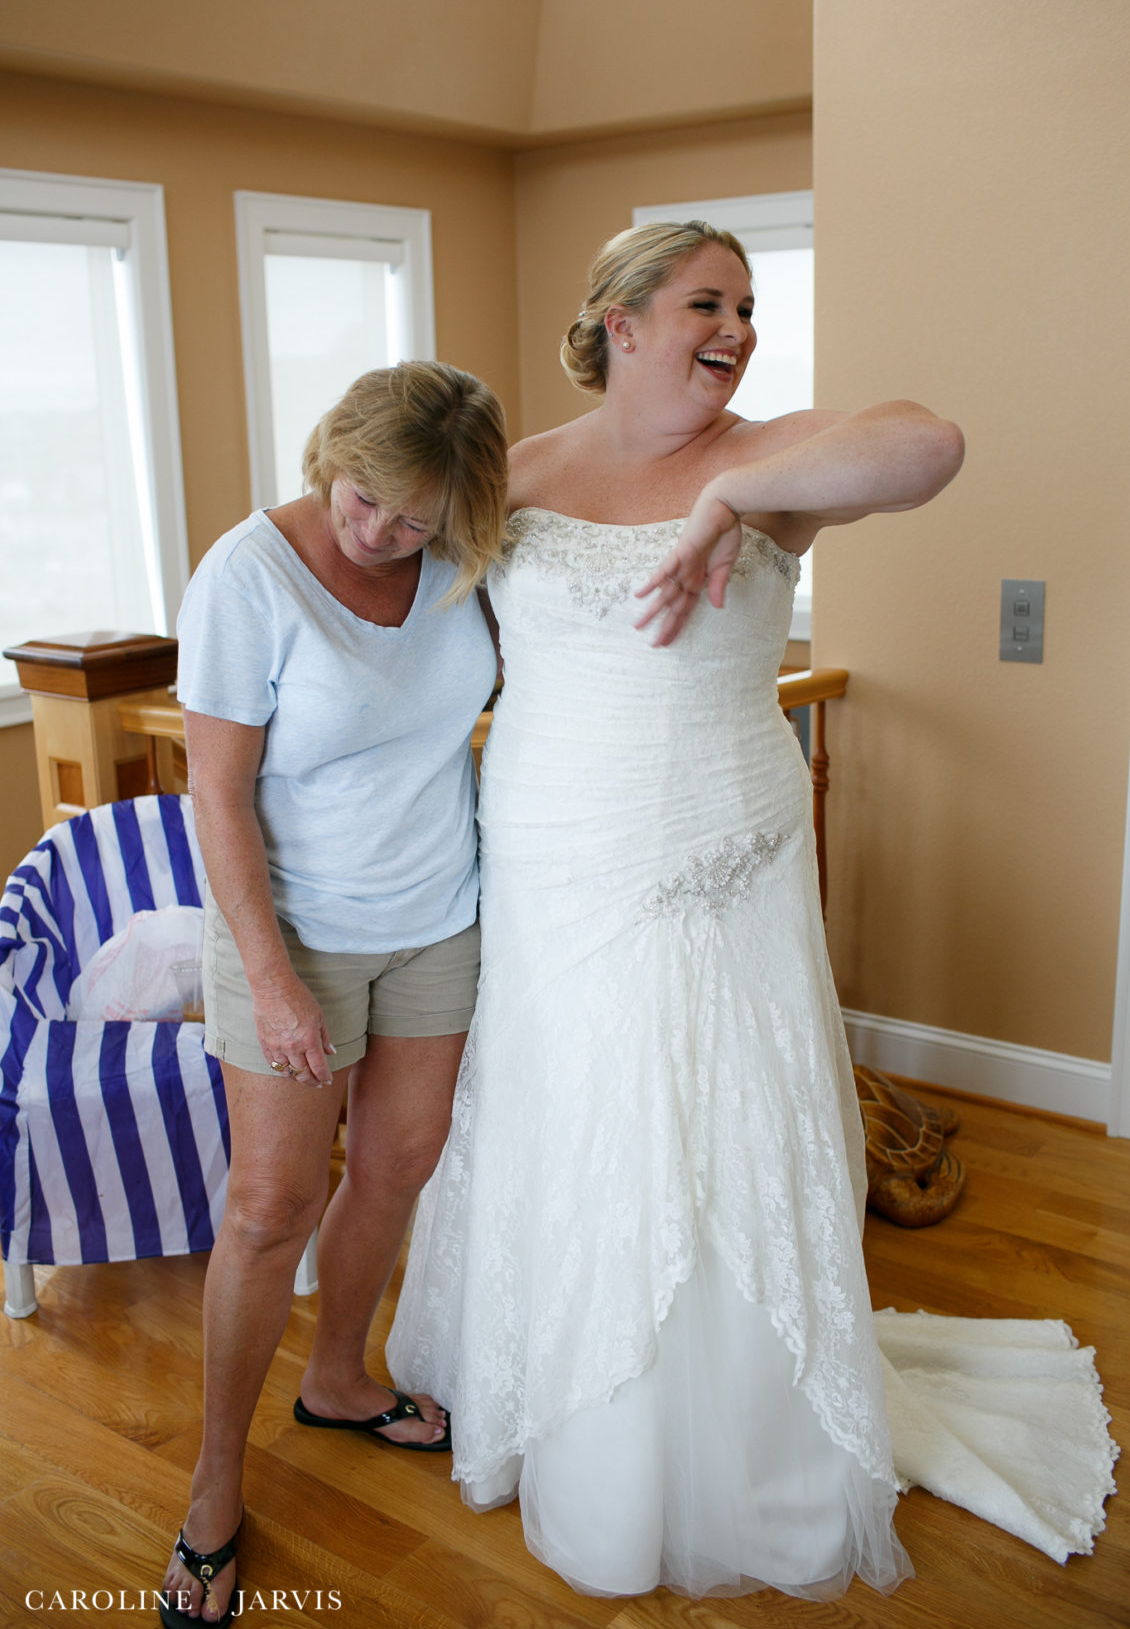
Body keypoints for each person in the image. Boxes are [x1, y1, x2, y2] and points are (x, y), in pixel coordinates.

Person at [386, 222, 965, 1599]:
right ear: (620, 319)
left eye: (749, 306)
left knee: (720, 1111)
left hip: (720, 842)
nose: (738, 327)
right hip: (549, 846)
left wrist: (732, 494)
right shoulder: (514, 472)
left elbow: (928, 442)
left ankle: (732, 1438)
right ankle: (551, 1400)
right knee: (572, 1103)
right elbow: (393, 594)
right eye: (707, 300)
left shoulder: (777, 461)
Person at [160, 361, 509, 1629]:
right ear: (331, 459)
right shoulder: (245, 578)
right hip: (291, 934)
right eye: (363, 500)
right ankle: (212, 1486)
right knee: (267, 1206)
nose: (379, 534)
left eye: (413, 519)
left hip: (440, 918)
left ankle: (341, 1379)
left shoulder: (466, 559)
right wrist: (268, 979)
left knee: (401, 1162)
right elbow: (218, 797)